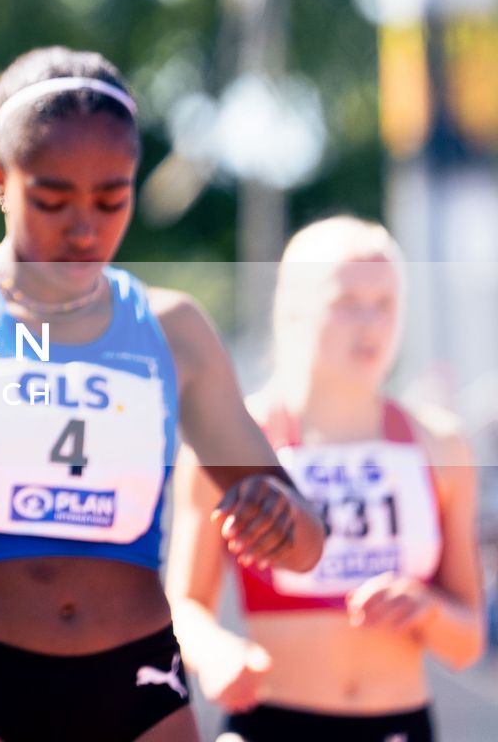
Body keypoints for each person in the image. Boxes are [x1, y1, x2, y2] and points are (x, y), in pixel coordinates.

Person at [0, 46, 326, 742]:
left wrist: (276, 513)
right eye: (51, 200)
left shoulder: (174, 331)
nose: (84, 229)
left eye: (112, 199)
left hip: (138, 683)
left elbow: (308, 546)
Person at [167, 216, 485, 742]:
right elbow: (182, 607)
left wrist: (424, 609)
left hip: (399, 725)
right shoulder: (231, 445)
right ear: (292, 308)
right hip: (272, 723)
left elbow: (468, 639)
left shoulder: (441, 447)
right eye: (347, 302)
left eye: (385, 305)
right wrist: (216, 654)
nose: (370, 324)